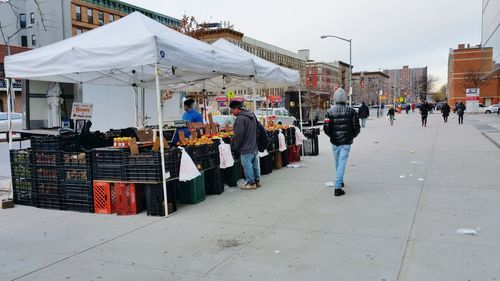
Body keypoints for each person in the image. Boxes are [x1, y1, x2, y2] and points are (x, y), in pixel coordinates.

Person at [323, 88, 361, 196]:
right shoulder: (352, 111)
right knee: (342, 162)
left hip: (335, 142)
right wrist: (351, 136)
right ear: (345, 98)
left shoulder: (329, 112)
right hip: (346, 141)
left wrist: (333, 136)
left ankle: (340, 181)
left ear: (335, 98)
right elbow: (357, 128)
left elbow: (326, 128)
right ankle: (338, 187)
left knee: (338, 162)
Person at [229, 100, 261, 190]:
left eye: (231, 110)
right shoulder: (251, 114)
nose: (231, 112)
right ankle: (257, 181)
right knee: (254, 164)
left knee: (247, 166)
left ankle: (251, 183)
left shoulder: (240, 118)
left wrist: (236, 146)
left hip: (246, 147)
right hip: (254, 145)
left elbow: (239, 135)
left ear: (236, 108)